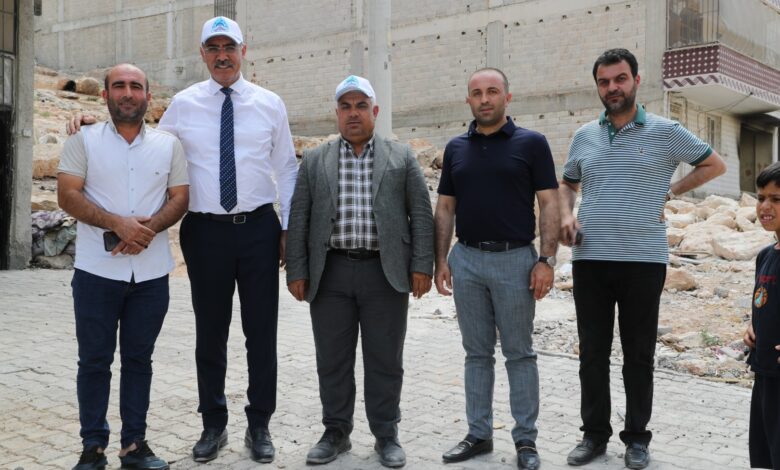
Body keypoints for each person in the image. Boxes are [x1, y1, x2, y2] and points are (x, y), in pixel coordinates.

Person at [70, 16, 300, 463]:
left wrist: (289, 229)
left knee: (261, 332)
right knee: (209, 333)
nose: (222, 56)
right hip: (205, 231)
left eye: (229, 47)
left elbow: (287, 169)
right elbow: (145, 140)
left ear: (243, 51)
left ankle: (259, 425)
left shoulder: (270, 104)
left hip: (258, 229)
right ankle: (213, 424)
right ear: (202, 55)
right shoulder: (185, 104)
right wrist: (94, 122)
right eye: (213, 48)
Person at [559, 48, 726, 469]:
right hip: (590, 258)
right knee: (592, 354)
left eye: (620, 79)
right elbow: (568, 184)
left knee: (638, 356)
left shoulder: (666, 131)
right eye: (604, 82)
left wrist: (671, 192)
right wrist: (565, 214)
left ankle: (637, 438)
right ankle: (594, 435)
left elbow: (713, 164)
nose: (612, 88)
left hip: (643, 261)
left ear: (636, 80)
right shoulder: (584, 136)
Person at [285, 75, 434, 468]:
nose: (353, 113)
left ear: (375, 111)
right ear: (336, 113)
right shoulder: (315, 160)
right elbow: (299, 217)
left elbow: (421, 214)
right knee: (332, 359)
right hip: (330, 273)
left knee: (385, 358)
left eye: (361, 106)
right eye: (346, 106)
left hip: (385, 274)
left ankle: (386, 435)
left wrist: (422, 265)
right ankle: (336, 432)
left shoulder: (401, 157)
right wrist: (296, 269)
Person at [58, 64, 189, 470]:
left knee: (138, 361)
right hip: (96, 273)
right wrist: (117, 224)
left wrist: (145, 231)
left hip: (150, 276)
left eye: (135, 86)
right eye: (119, 86)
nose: (127, 93)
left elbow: (180, 197)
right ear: (105, 95)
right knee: (94, 362)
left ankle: (134, 445)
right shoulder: (83, 140)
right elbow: (67, 195)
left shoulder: (169, 145)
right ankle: (92, 448)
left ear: (148, 96)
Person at [434, 67, 559, 470]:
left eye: (492, 91)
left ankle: (525, 440)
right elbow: (445, 207)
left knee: (519, 353)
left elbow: (549, 202)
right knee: (476, 353)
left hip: (515, 261)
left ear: (507, 97)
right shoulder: (456, 148)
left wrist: (546, 260)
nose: (484, 99)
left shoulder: (532, 143)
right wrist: (441, 260)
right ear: (468, 100)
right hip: (467, 260)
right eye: (477, 93)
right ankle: (478, 434)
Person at [742, 162, 780, 470]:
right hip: (765, 373)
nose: (765, 206)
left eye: (776, 199)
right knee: (766, 455)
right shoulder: (766, 255)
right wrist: (752, 326)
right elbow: (763, 301)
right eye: (761, 197)